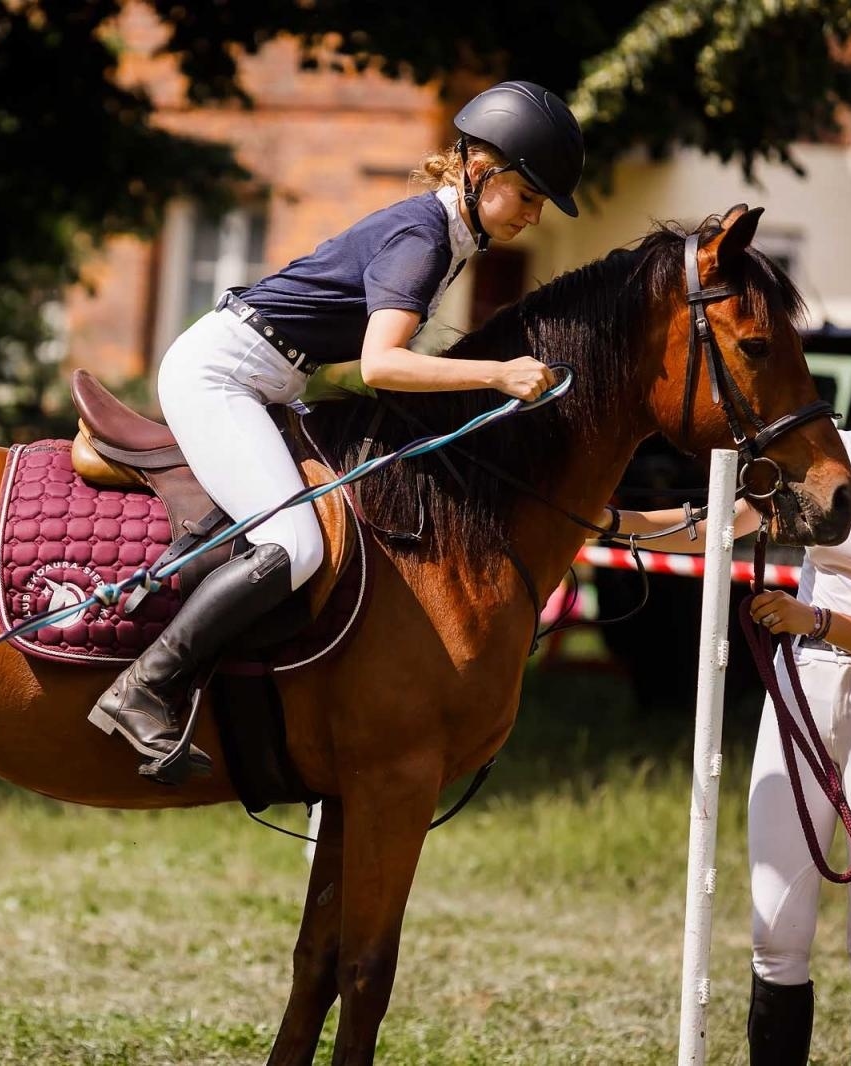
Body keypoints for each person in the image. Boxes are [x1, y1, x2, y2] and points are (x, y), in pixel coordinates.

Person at [87, 80, 587, 782]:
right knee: (295, 546)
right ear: (479, 170)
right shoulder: (423, 237)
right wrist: (499, 375)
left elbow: (358, 366)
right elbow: (383, 363)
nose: (534, 216)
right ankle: (144, 688)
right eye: (529, 196)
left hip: (268, 379)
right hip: (223, 376)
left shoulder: (446, 236)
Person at [597, 284, 851, 1064]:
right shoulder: (832, 451)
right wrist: (614, 522)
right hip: (802, 692)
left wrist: (812, 619)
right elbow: (720, 524)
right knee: (775, 934)